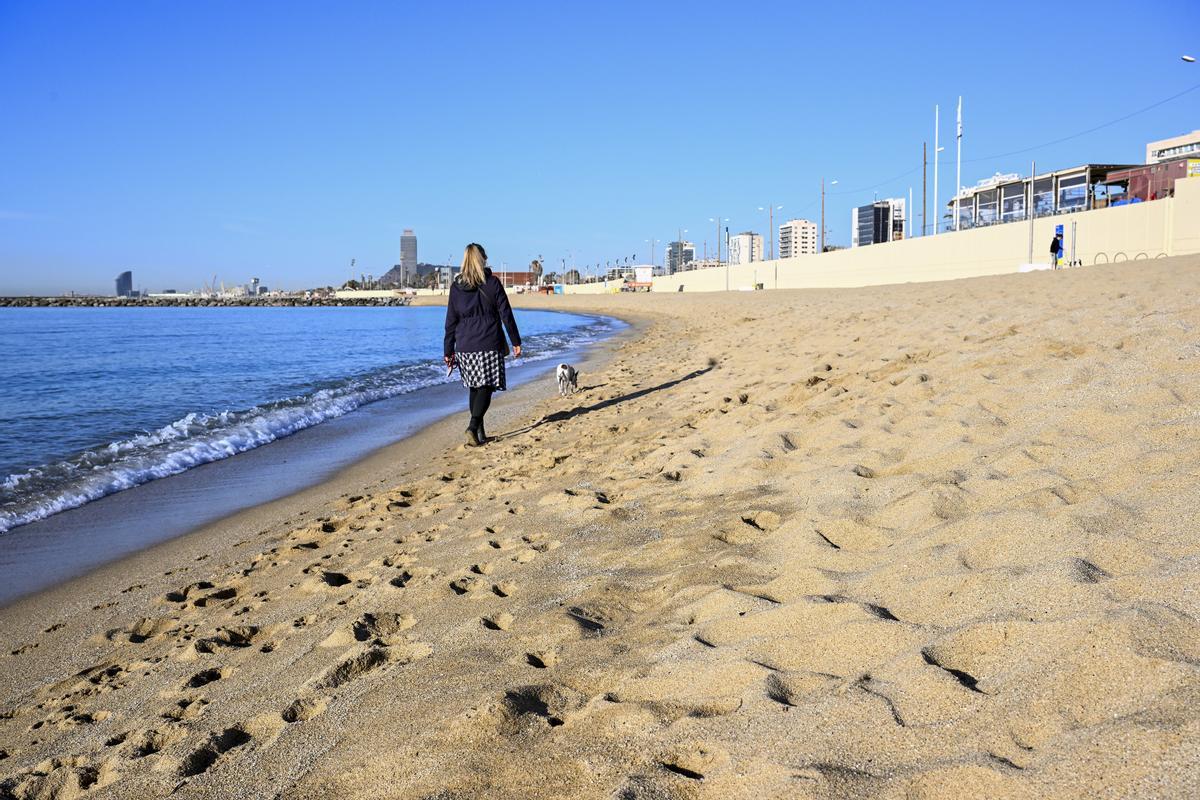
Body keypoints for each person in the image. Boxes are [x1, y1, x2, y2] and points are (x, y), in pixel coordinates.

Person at [443, 243, 521, 446]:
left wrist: (448, 350)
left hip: (465, 346)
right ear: (482, 259)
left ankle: (479, 435)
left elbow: (450, 321)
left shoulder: (455, 288)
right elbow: (506, 314)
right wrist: (515, 341)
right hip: (488, 341)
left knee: (475, 388)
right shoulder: (492, 283)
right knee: (486, 386)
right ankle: (472, 426)